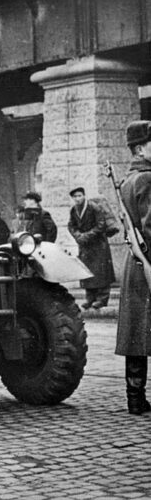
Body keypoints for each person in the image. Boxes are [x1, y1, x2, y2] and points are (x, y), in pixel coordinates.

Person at [116, 120, 151, 415]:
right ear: (140, 148)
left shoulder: (128, 180)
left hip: (136, 263)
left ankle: (135, 398)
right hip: (149, 260)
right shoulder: (147, 179)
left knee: (138, 332)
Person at [67, 186, 115, 310]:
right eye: (75, 197)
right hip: (85, 246)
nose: (77, 199)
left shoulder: (94, 207)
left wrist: (87, 236)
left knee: (101, 272)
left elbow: (101, 225)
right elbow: (71, 225)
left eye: (79, 196)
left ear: (84, 196)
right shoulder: (74, 210)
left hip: (98, 244)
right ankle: (90, 298)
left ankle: (102, 299)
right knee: (86, 272)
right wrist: (78, 236)